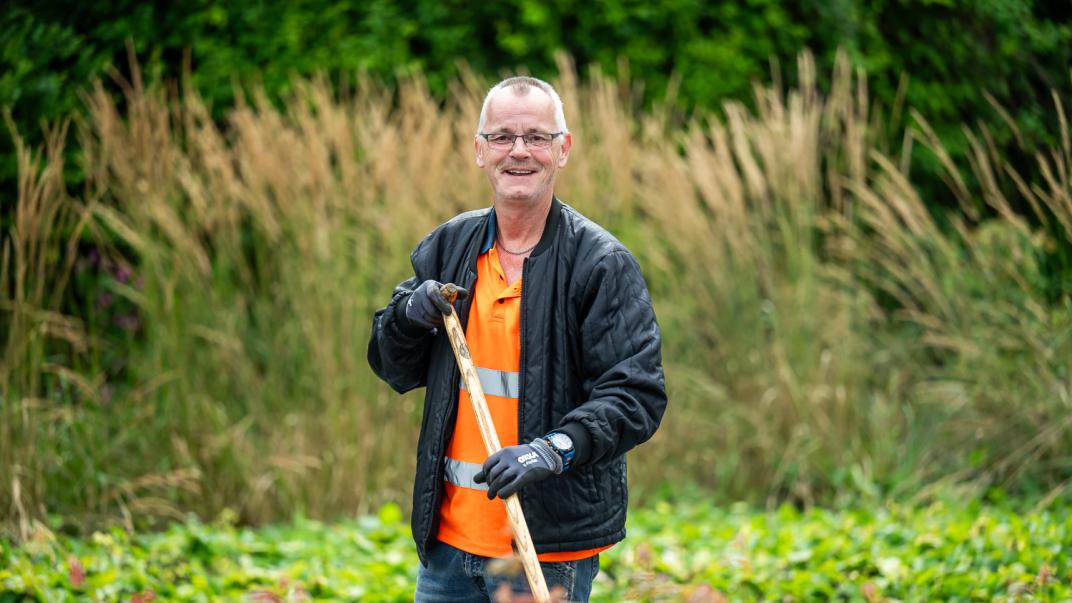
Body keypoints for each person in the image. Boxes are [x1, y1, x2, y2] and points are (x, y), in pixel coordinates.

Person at [368, 75, 666, 602]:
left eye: (537, 137)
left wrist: (553, 450)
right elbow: (393, 364)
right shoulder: (451, 246)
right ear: (480, 151)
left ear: (563, 149)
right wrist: (409, 315)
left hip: (546, 553)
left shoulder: (599, 263)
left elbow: (635, 396)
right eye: (503, 137)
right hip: (447, 551)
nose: (519, 152)